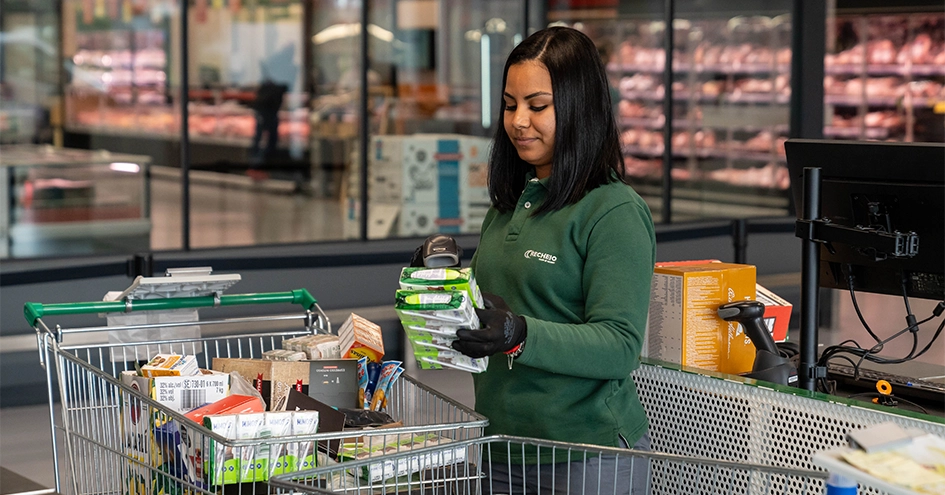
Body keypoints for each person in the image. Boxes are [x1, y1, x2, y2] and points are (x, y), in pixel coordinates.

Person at [450, 26, 657, 494]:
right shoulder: (509, 205)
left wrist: (521, 335)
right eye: (509, 105)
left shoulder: (613, 211)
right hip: (500, 446)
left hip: (585, 456)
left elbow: (619, 346)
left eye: (537, 106)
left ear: (579, 107)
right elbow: (497, 310)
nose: (519, 121)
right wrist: (439, 291)